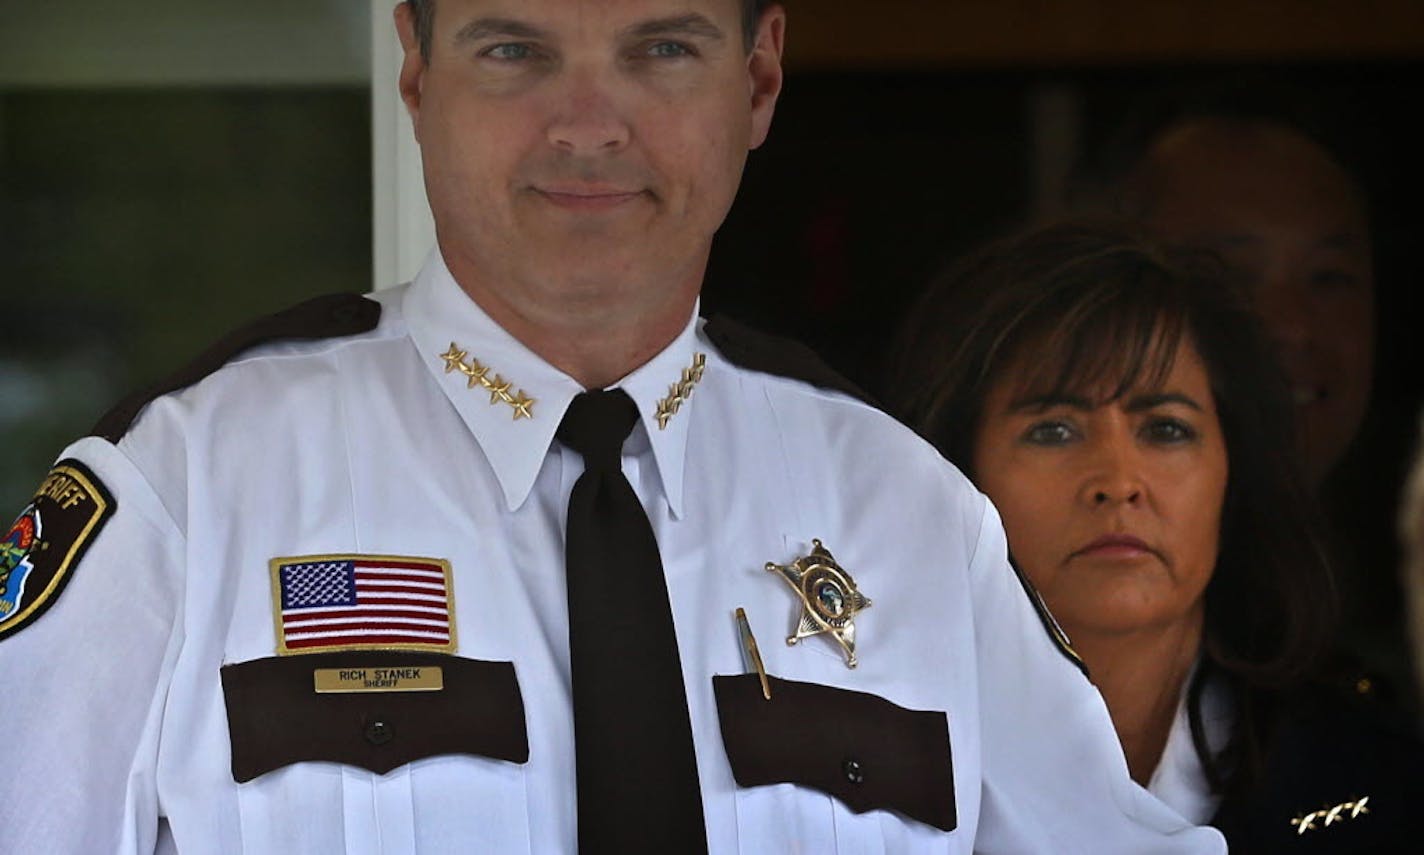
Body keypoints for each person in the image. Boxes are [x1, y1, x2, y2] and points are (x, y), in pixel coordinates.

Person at [0, 3, 1224, 853]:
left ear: (757, 81)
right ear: (415, 73)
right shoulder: (185, 490)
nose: (587, 126)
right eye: (516, 51)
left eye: (661, 51)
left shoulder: (907, 517)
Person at [889, 219, 1424, 852]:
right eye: (1054, 430)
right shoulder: (870, 773)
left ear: (1234, 473)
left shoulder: (1377, 784)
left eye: (1166, 429)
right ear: (954, 468)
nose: (1118, 482)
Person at [1085, 94, 1417, 713]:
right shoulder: (1044, 648)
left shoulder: (1376, 689)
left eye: (1330, 278)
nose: (1292, 326)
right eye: (1231, 276)